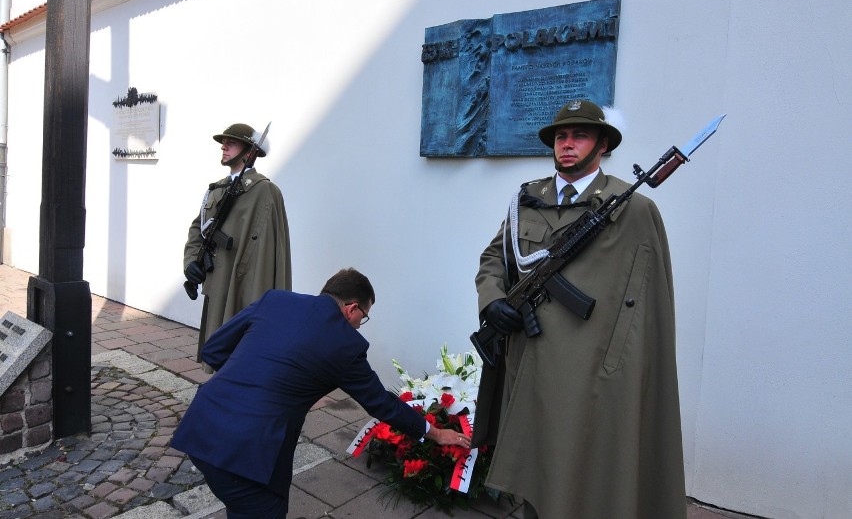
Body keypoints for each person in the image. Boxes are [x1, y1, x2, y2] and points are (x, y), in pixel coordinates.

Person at [472, 100, 686, 518]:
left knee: (579, 474)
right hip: (526, 359)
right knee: (530, 469)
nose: (567, 145)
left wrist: (618, 363)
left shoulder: (633, 209)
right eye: (561, 137)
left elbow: (646, 299)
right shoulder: (526, 199)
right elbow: (495, 258)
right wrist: (493, 300)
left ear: (602, 145)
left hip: (586, 372)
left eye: (579, 135)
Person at [171, 268, 471, 519]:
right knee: (266, 510)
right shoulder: (346, 345)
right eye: (363, 317)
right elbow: (381, 403)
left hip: (202, 424)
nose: (359, 324)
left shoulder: (275, 300)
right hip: (246, 449)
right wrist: (436, 433)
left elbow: (213, 349)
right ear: (352, 308)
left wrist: (249, 377)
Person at [183, 122, 291, 372]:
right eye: (224, 142)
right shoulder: (215, 190)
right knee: (218, 354)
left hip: (245, 287)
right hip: (217, 281)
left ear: (249, 151)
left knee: (242, 357)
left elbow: (272, 251)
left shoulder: (266, 192)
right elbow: (197, 228)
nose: (224, 146)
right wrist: (190, 262)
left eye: (231, 142)